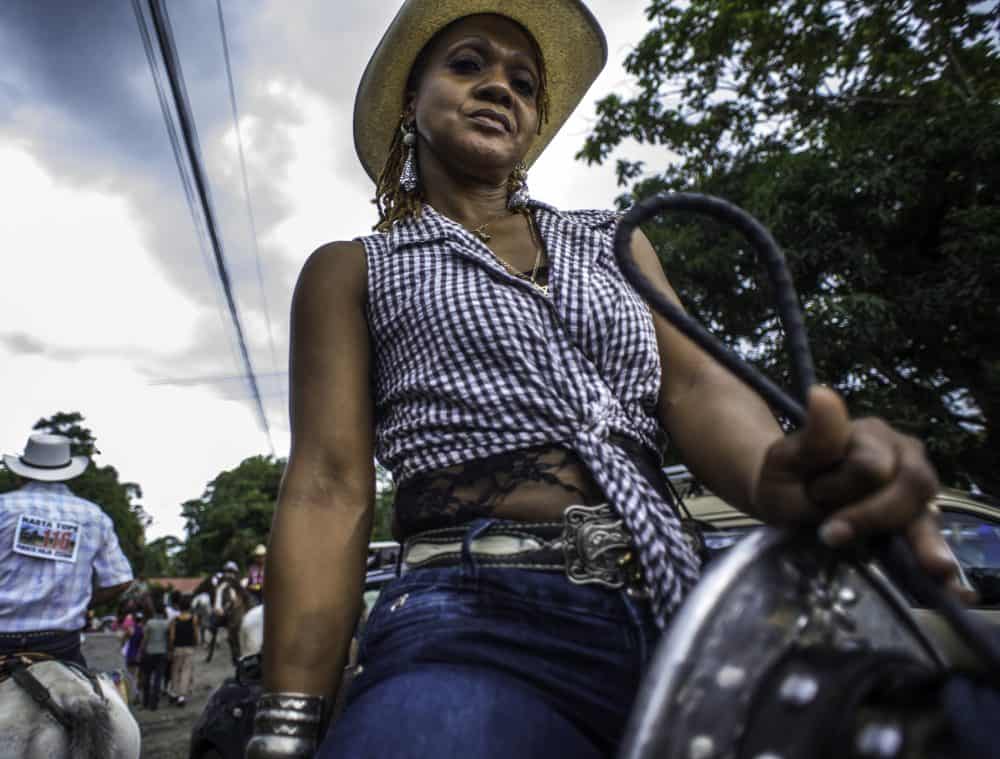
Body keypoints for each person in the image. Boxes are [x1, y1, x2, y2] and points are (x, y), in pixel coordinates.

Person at [248, 3, 966, 757]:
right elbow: (328, 487)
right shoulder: (354, 267)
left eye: (522, 83)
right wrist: (285, 730)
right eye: (467, 65)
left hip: (686, 604)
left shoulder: (613, 240)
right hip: (469, 617)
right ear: (410, 103)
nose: (500, 86)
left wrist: (782, 474)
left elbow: (695, 388)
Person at [0, 433, 133, 667]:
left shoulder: (4, 507)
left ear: (21, 473)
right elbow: (120, 581)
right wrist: (81, 603)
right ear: (67, 474)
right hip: (61, 646)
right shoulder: (94, 516)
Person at [169, 593, 200, 706]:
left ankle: (174, 692)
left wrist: (171, 648)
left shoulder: (174, 620)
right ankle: (182, 696)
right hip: (189, 648)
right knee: (186, 671)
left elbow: (172, 637)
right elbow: (196, 634)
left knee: (175, 670)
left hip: (177, 648)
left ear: (179, 607)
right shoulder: (193, 619)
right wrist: (196, 643)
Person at [139, 600, 169, 710]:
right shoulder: (167, 623)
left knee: (146, 678)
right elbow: (169, 639)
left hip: (149, 653)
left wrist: (140, 651)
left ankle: (145, 701)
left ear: (155, 610)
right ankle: (154, 704)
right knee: (158, 679)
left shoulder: (149, 623)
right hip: (162, 653)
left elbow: (145, 639)